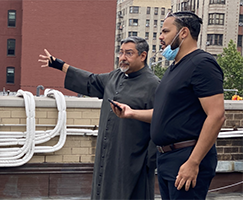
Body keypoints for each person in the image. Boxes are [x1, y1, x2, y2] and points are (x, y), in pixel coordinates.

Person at [111, 12, 225, 200]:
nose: (161, 37)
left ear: (183, 33)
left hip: (186, 157)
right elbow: (166, 114)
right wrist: (131, 113)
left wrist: (193, 162)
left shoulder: (202, 64)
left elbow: (216, 115)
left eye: (165, 31)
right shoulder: (175, 67)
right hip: (167, 158)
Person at [38, 36, 160, 200]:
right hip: (108, 154)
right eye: (121, 52)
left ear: (143, 56)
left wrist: (148, 160)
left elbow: (160, 121)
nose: (122, 58)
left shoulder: (153, 84)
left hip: (133, 160)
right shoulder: (115, 77)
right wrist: (59, 65)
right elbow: (91, 80)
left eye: (129, 53)